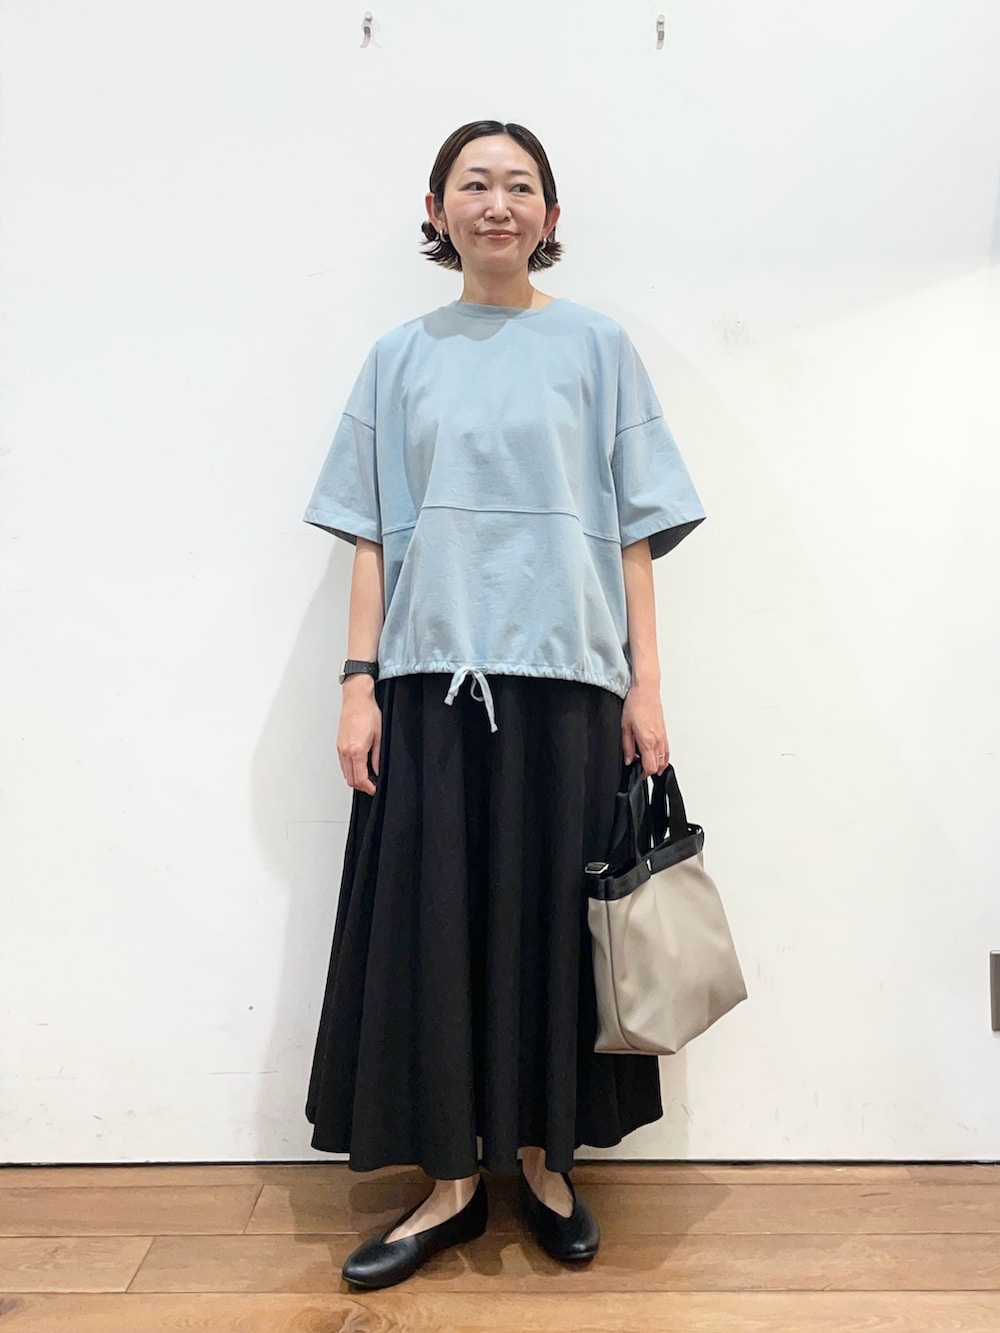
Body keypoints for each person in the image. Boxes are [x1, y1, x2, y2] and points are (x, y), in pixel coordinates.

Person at [302, 119, 705, 1289]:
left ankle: (545, 1163)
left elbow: (635, 532)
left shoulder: (597, 348)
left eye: (519, 185)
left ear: (551, 215)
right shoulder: (398, 358)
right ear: (435, 211)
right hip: (429, 686)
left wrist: (646, 684)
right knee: (435, 930)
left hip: (569, 685)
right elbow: (370, 535)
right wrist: (357, 685)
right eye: (473, 184)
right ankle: (448, 1183)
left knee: (554, 933)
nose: (497, 203)